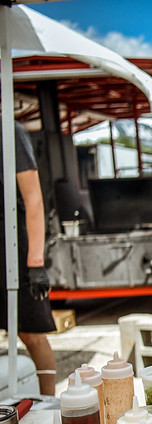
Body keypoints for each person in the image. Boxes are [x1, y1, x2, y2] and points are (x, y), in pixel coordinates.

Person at [1, 121, 57, 396]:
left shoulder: (11, 131)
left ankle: (49, 404)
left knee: (31, 333)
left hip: (15, 245)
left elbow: (34, 198)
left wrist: (36, 262)